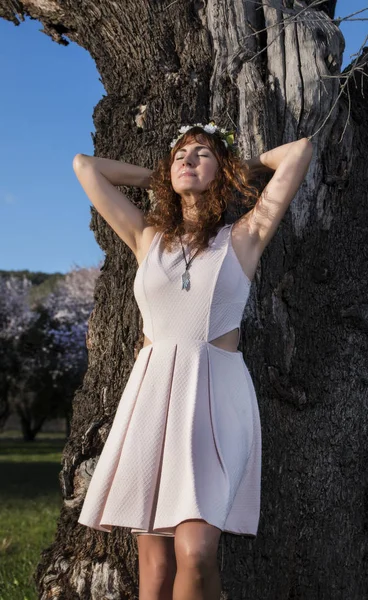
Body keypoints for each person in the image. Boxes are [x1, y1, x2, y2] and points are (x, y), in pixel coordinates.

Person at [72, 123, 313, 600]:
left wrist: (230, 171)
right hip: (151, 402)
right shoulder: (146, 238)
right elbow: (87, 167)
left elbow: (298, 151)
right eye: (180, 153)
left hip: (214, 403)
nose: (188, 159)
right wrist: (162, 176)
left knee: (196, 553)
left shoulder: (243, 237)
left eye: (201, 153)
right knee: (155, 569)